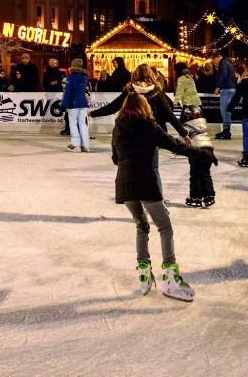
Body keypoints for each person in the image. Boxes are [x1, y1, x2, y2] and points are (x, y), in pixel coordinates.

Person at [111, 92, 215, 301]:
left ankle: (143, 272)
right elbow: (176, 145)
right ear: (144, 107)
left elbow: (115, 158)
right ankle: (170, 276)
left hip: (123, 184)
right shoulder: (148, 126)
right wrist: (204, 154)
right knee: (165, 227)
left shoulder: (118, 128)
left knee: (142, 226)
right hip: (145, 182)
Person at [90, 64, 190, 201]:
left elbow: (113, 107)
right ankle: (158, 199)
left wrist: (93, 113)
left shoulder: (130, 91)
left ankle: (134, 196)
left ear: (135, 74)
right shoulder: (157, 93)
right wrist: (183, 134)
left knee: (132, 167)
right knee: (153, 169)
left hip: (131, 134)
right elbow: (170, 115)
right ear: (151, 75)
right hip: (150, 135)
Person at [181, 106, 216, 208]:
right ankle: (209, 196)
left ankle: (196, 197)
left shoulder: (187, 126)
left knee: (195, 174)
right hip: (209, 149)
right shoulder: (203, 124)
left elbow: (184, 140)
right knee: (206, 173)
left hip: (196, 150)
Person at [61, 58, 90, 152]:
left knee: (73, 124)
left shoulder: (71, 77)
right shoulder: (84, 77)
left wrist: (64, 104)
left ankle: (76, 145)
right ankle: (85, 145)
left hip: (74, 103)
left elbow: (68, 92)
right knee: (82, 123)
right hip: (83, 102)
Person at [212, 51, 237, 139]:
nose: (214, 62)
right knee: (227, 110)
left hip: (226, 88)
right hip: (230, 87)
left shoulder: (223, 62)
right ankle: (226, 130)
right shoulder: (228, 62)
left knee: (224, 110)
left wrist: (218, 87)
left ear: (217, 57)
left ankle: (226, 131)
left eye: (214, 60)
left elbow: (223, 75)